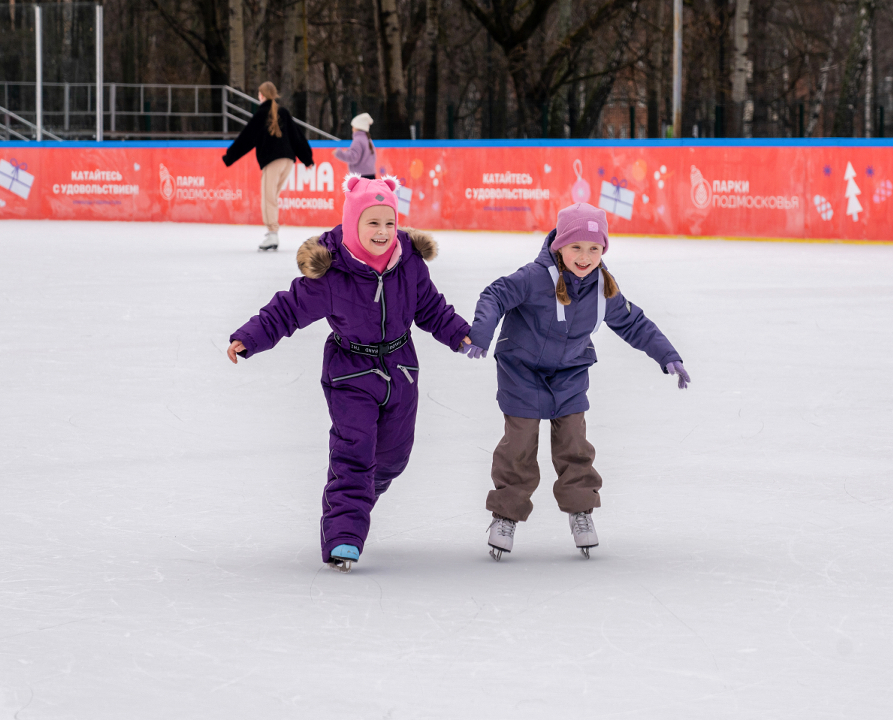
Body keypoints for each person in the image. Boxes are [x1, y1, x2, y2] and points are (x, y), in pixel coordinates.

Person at [227, 174, 476, 572]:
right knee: (353, 455)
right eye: (372, 222)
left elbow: (431, 308)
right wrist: (250, 338)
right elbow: (287, 310)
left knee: (393, 457)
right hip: (350, 374)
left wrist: (461, 334)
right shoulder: (333, 271)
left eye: (389, 222)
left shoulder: (408, 262)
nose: (383, 232)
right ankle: (343, 536)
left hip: (401, 369)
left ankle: (361, 493)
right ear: (351, 223)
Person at [465, 203, 691, 561]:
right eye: (576, 247)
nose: (585, 257)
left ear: (603, 251)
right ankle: (505, 516)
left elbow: (634, 324)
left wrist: (668, 356)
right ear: (559, 246)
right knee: (520, 441)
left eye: (594, 249)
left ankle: (581, 511)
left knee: (573, 440)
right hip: (521, 369)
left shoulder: (603, 288)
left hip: (569, 371)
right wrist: (481, 332)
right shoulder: (535, 277)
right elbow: (495, 294)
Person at [222, 81, 314, 252]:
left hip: (273, 161)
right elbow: (297, 137)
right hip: (287, 161)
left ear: (261, 95)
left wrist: (229, 157)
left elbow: (246, 139)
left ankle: (272, 234)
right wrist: (307, 159)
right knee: (272, 197)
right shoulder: (284, 112)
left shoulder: (261, 114)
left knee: (268, 198)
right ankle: (272, 232)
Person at [333, 113, 376, 179]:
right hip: (370, 175)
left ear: (357, 127)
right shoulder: (368, 139)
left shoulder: (358, 140)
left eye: (353, 126)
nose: (352, 129)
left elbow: (353, 157)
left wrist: (339, 153)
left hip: (361, 177)